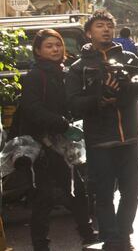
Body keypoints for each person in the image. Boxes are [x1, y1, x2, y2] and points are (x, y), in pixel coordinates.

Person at [66, 10, 138, 251]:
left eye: (109, 26)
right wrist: (99, 98)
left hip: (131, 138)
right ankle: (112, 240)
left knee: (132, 191)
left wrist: (123, 93)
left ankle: (123, 234)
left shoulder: (129, 59)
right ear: (88, 33)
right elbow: (72, 104)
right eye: (100, 26)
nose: (106, 30)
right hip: (100, 142)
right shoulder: (78, 68)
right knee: (103, 194)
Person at [21, 29, 97, 250]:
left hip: (64, 145)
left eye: (58, 45)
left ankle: (88, 234)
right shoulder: (36, 76)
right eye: (49, 46)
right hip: (42, 145)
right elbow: (31, 109)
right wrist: (61, 123)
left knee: (77, 191)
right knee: (45, 197)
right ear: (38, 51)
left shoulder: (64, 72)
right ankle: (41, 244)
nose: (55, 49)